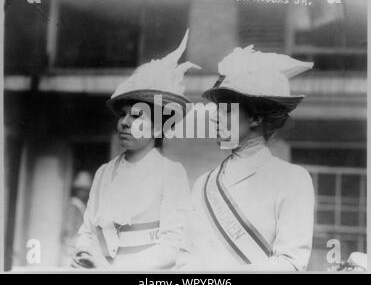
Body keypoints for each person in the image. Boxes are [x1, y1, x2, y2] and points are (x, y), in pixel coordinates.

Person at [178, 45, 315, 271]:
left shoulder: (292, 180)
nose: (214, 118)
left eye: (226, 110)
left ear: (255, 118)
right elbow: (185, 258)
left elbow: (290, 263)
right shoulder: (203, 183)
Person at [71, 29, 200, 270]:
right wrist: (84, 254)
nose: (125, 122)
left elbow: (170, 246)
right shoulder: (104, 173)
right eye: (123, 115)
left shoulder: (170, 173)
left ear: (158, 126)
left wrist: (115, 270)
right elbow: (86, 232)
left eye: (137, 116)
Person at [60, 171, 92, 267]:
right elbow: (68, 231)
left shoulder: (82, 206)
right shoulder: (73, 206)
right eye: (84, 190)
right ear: (78, 190)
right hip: (70, 251)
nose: (86, 193)